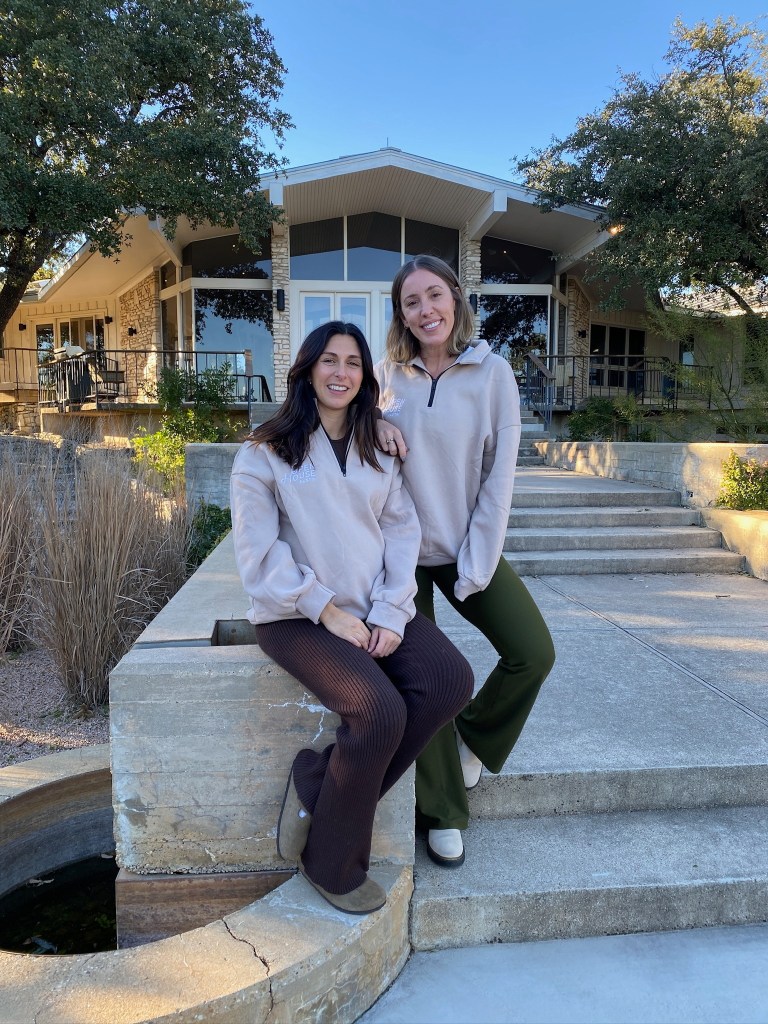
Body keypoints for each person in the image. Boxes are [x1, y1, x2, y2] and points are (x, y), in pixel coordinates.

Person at [230, 320, 473, 915]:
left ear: (366, 377)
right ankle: (332, 865)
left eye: (353, 363)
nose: (341, 373)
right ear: (308, 368)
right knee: (378, 709)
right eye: (329, 361)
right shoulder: (263, 453)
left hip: (373, 606)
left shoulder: (376, 448)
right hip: (293, 615)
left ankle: (318, 788)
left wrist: (392, 611)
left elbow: (400, 532)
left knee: (449, 680)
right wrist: (327, 611)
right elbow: (259, 558)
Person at [376, 255, 556, 868]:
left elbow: (497, 477)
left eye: (434, 296)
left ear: (455, 299)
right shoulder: (387, 375)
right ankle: (444, 813)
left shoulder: (492, 373)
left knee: (533, 651)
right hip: (400, 558)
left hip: (463, 549)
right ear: (401, 315)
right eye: (411, 302)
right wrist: (375, 423)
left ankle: (475, 738)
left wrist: (477, 564)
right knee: (424, 679)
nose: (425, 310)